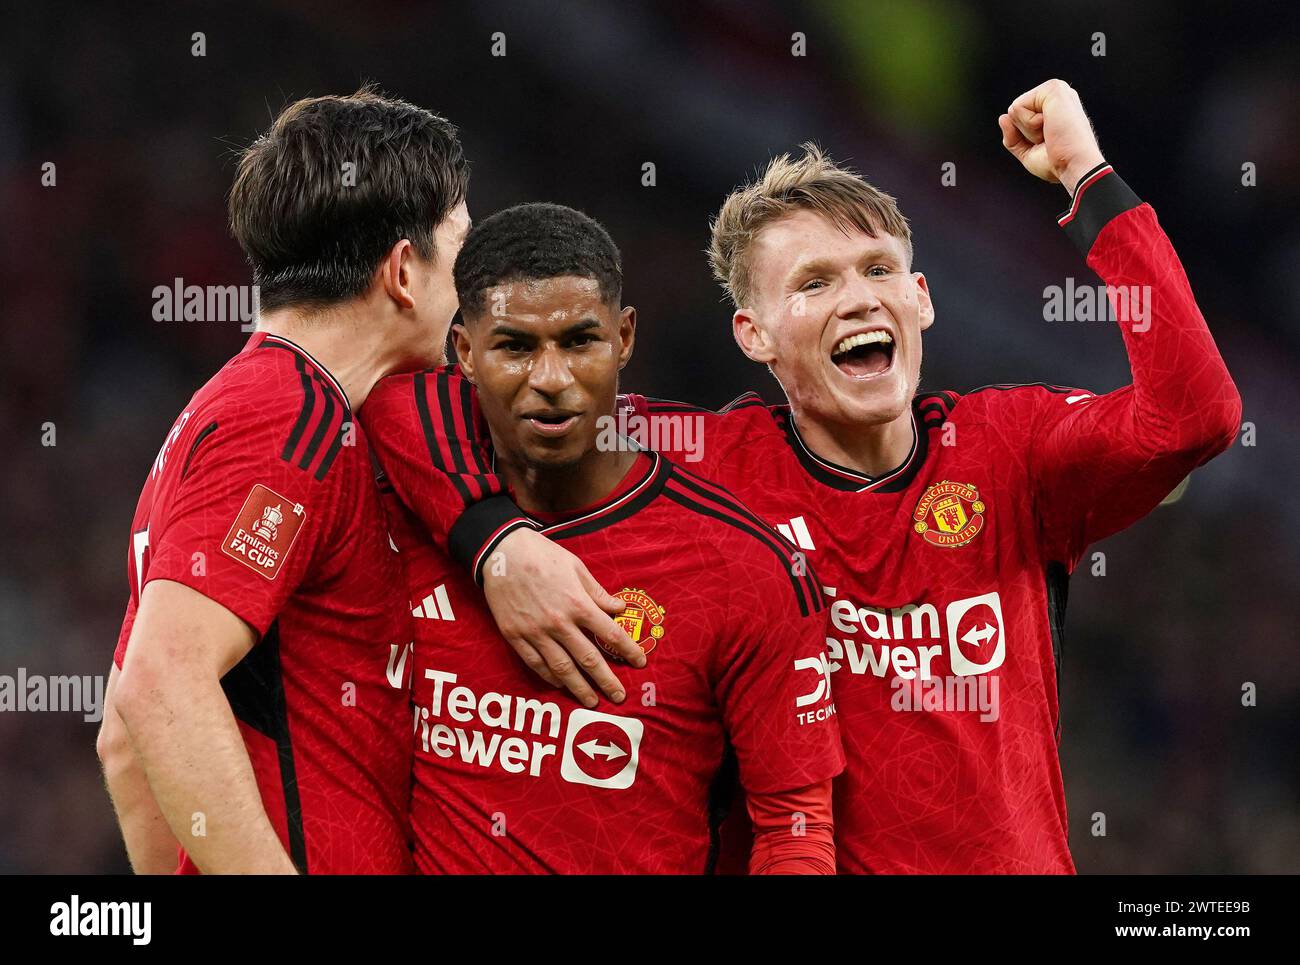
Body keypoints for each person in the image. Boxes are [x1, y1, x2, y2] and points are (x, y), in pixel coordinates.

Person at [388, 81, 1242, 872]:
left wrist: (1088, 179)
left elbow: (1198, 413)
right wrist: (495, 543)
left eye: (877, 270)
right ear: (754, 336)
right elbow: (434, 402)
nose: (858, 299)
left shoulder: (1012, 448)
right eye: (814, 283)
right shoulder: (698, 460)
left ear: (921, 300)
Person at [362, 203, 845, 873]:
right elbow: (388, 398)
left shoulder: (744, 569)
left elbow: (795, 827)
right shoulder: (402, 515)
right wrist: (495, 544)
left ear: (624, 338)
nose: (552, 381)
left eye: (579, 341)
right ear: (465, 352)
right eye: (515, 346)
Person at [96, 88, 473, 873]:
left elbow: (126, 745)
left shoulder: (243, 404)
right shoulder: (285, 416)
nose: (468, 292)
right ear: (405, 270)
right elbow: (161, 686)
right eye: (460, 250)